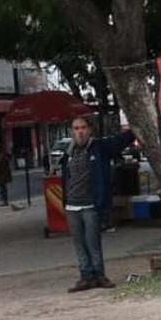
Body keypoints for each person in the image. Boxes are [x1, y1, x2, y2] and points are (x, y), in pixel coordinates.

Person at [61, 115, 134, 292]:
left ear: (90, 129)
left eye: (83, 127)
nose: (80, 131)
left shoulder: (99, 148)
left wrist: (135, 128)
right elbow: (66, 177)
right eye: (76, 128)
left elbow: (120, 141)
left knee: (93, 242)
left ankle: (99, 275)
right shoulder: (68, 153)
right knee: (79, 243)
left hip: (90, 205)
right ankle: (86, 276)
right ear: (72, 131)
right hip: (72, 205)